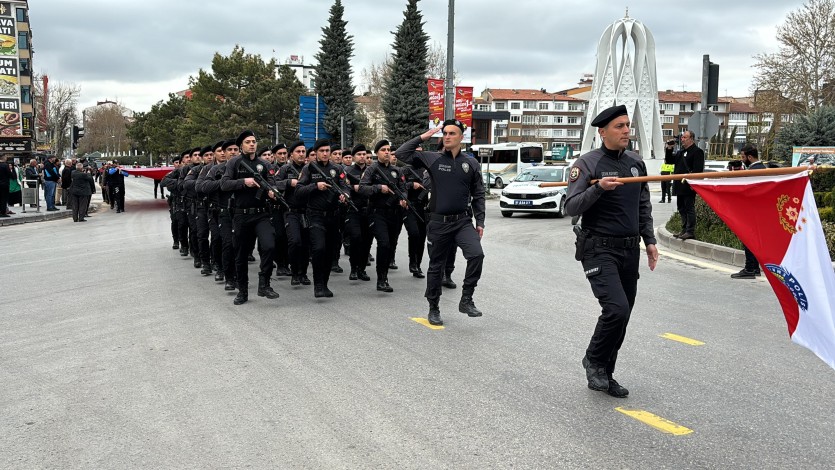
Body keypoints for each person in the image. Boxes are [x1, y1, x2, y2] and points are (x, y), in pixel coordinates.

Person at [564, 104, 659, 398]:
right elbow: (571, 206)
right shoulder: (587, 164)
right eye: (619, 127)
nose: (626, 131)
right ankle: (593, 360)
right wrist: (599, 188)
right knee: (615, 308)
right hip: (598, 249)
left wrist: (650, 240)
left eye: (627, 126)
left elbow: (643, 204)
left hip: (629, 250)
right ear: (602, 132)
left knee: (624, 314)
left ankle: (606, 372)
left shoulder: (635, 163)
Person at [395, 119, 486, 326]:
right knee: (436, 266)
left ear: (461, 137)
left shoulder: (470, 163)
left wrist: (480, 221)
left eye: (452, 134)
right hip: (438, 223)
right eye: (445, 133)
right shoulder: (432, 158)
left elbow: (478, 194)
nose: (447, 137)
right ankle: (433, 307)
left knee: (477, 254)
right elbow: (400, 154)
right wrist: (423, 137)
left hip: (462, 221)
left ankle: (466, 299)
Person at [221, 130, 280, 305]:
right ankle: (243, 291)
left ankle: (264, 283)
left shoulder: (263, 163)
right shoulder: (234, 163)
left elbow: (272, 182)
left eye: (254, 141)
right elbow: (224, 184)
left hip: (262, 213)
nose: (252, 144)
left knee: (269, 246)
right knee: (240, 255)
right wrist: (243, 182)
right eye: (248, 142)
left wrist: (272, 191)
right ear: (241, 145)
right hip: (242, 215)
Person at [296, 139, 351, 298]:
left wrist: (345, 195)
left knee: (329, 251)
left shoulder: (337, 168)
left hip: (333, 216)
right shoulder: (308, 169)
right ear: (316, 152)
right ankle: (318, 284)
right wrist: (315, 186)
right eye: (322, 151)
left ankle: (324, 284)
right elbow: (299, 191)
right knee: (319, 248)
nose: (326, 153)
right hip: (315, 215)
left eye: (327, 150)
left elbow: (345, 185)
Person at [360, 139, 407, 293]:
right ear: (377, 153)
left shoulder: (397, 170)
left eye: (388, 150)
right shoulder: (372, 169)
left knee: (391, 246)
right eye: (383, 150)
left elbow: (403, 188)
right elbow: (362, 188)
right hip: (377, 212)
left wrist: (403, 199)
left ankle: (384, 276)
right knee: (384, 243)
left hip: (394, 213)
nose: (387, 152)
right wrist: (378, 188)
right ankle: (381, 279)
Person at [276, 141, 312, 287]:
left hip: (308, 211)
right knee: (295, 241)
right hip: (291, 211)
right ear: (291, 154)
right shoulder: (286, 169)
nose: (302, 154)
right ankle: (295, 271)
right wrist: (288, 183)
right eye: (298, 152)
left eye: (304, 152)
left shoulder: (310, 168)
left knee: (306, 244)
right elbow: (274, 183)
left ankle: (303, 273)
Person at [731, 144, 766, 279]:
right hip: (758, 211)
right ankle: (754, 267)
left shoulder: (754, 171)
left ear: (750, 157)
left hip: (753, 212)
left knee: (749, 239)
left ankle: (750, 268)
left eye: (743, 157)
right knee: (753, 240)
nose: (742, 159)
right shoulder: (762, 168)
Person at [343, 144, 372, 282]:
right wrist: (352, 188)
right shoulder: (348, 170)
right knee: (356, 237)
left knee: (367, 241)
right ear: (354, 156)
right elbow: (344, 186)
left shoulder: (372, 170)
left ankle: (362, 269)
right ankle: (354, 267)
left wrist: (360, 188)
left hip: (369, 210)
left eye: (364, 154)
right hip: (353, 210)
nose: (362, 157)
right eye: (359, 154)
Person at [672, 130, 704, 240]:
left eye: (685, 137)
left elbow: (698, 170)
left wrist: (693, 183)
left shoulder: (697, 152)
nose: (682, 139)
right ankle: (684, 229)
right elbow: (669, 161)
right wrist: (669, 149)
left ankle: (690, 231)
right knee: (681, 208)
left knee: (689, 208)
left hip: (688, 186)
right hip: (679, 184)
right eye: (682, 137)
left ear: (691, 139)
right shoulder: (681, 152)